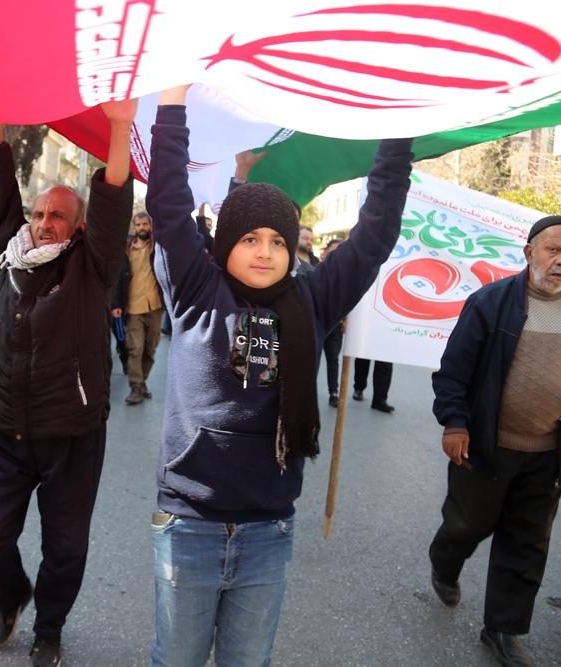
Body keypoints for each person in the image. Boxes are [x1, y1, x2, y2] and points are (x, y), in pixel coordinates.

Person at [145, 85, 412, 667]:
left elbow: (374, 235)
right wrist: (172, 102)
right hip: (188, 525)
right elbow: (167, 202)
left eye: (277, 241)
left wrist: (398, 129)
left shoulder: (313, 300)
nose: (264, 251)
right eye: (249, 239)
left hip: (268, 530)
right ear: (225, 246)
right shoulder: (195, 289)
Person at [0, 100, 135, 667]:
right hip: (6, 428)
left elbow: (114, 197)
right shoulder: (10, 253)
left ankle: (49, 629)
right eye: (39, 213)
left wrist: (119, 126)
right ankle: (11, 594)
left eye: (58, 216)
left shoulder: (93, 265)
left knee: (65, 547)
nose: (44, 222)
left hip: (71, 433)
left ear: (79, 225)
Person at [429, 215, 561, 667]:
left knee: (527, 543)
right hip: (486, 447)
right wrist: (455, 424)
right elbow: (453, 372)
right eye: (553, 250)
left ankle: (503, 629)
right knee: (467, 525)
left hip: (549, 453)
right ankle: (445, 563)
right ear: (529, 252)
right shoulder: (489, 303)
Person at [112, 212, 164, 405]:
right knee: (135, 350)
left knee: (150, 350)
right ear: (134, 226)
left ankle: (142, 383)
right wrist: (116, 304)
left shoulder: (158, 248)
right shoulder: (126, 249)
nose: (142, 227)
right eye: (138, 224)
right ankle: (136, 387)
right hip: (133, 308)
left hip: (155, 306)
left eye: (145, 224)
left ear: (151, 225)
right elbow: (116, 278)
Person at [320, 238, 344, 407]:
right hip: (315, 323)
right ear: (326, 252)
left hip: (335, 326)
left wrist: (345, 319)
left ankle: (333, 392)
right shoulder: (316, 269)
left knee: (333, 360)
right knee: (309, 359)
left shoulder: (348, 274)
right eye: (334, 249)